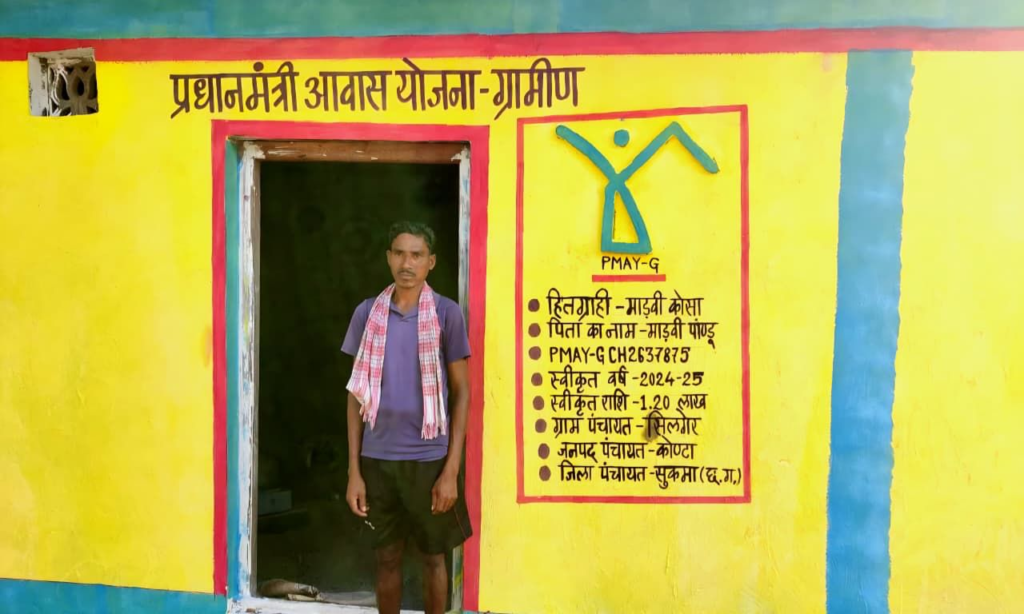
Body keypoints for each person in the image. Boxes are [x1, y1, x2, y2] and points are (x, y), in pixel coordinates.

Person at [340, 221, 471, 614]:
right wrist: (354, 471)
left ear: (431, 262)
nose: (406, 263)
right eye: (399, 253)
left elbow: (462, 393)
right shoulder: (368, 314)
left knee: (433, 558)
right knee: (386, 558)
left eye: (416, 255)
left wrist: (451, 471)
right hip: (377, 460)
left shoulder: (446, 314)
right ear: (388, 258)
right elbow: (355, 395)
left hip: (428, 461)